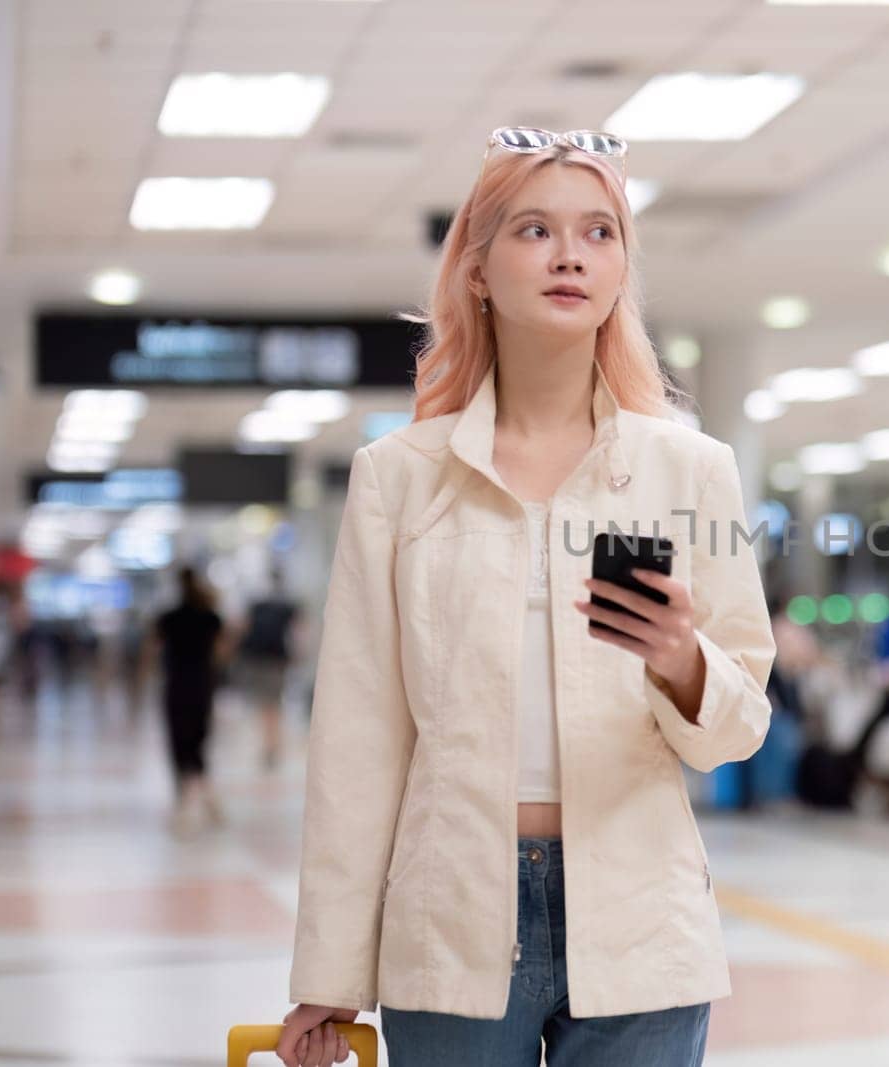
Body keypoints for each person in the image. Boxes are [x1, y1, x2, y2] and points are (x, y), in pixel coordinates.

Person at [277, 126, 776, 1067]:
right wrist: (328, 973)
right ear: (476, 266)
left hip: (642, 916)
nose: (568, 256)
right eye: (534, 230)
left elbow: (737, 730)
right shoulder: (401, 479)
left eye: (599, 233)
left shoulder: (690, 469)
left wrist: (681, 661)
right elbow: (359, 737)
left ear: (623, 268)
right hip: (451, 914)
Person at [144, 566, 235, 836]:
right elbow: (223, 651)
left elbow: (150, 650)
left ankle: (187, 797)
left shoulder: (169, 618)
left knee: (179, 742)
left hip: (176, 685)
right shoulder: (210, 616)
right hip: (202, 685)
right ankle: (202, 796)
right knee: (197, 740)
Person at [234, 566, 303, 771]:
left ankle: (269, 744)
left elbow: (243, 629)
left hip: (258, 660)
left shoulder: (257, 604)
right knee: (274, 704)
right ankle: (273, 744)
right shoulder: (287, 605)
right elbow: (298, 633)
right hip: (277, 660)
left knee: (264, 704)